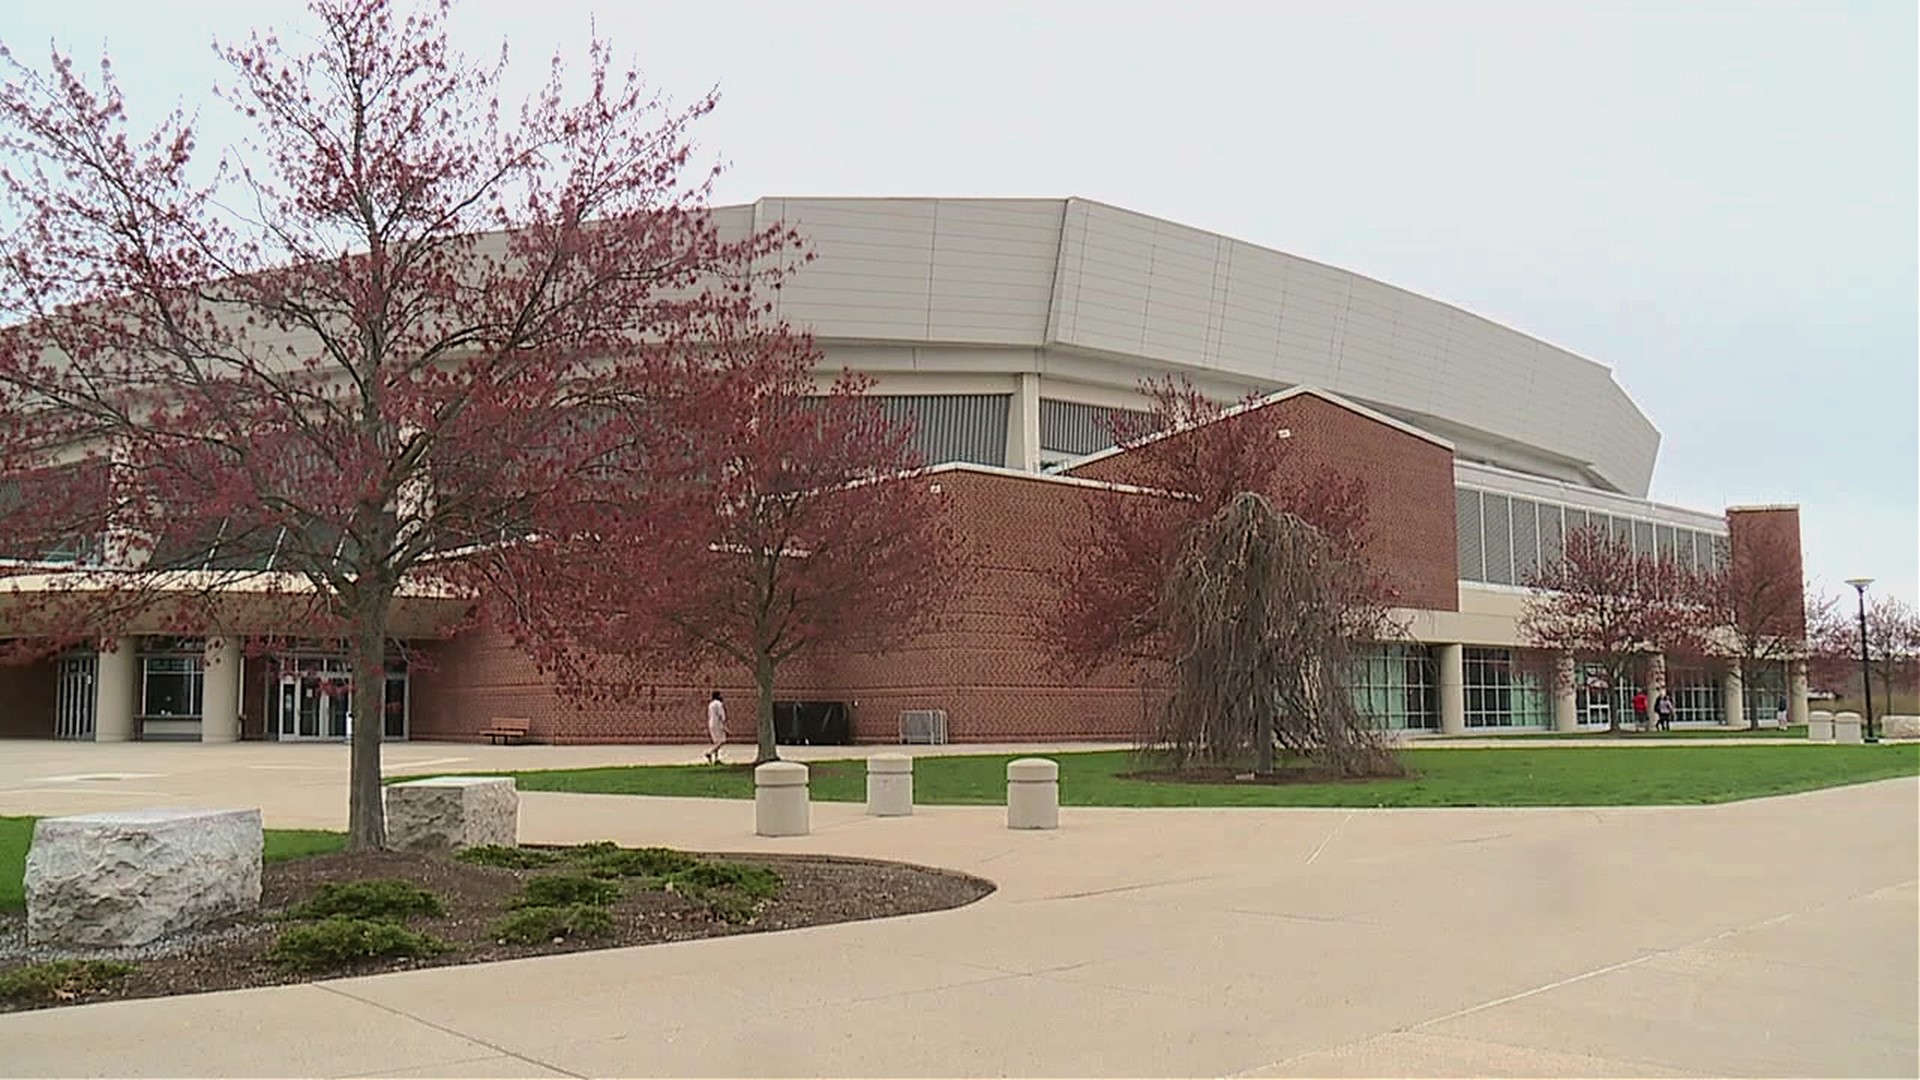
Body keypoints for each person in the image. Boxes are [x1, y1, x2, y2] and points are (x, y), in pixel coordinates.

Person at [704, 691, 728, 765]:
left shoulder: (710, 704)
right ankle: (709, 752)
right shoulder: (719, 704)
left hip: (711, 723)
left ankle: (717, 759)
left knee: (716, 742)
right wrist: (724, 726)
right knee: (721, 741)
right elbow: (722, 716)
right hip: (717, 724)